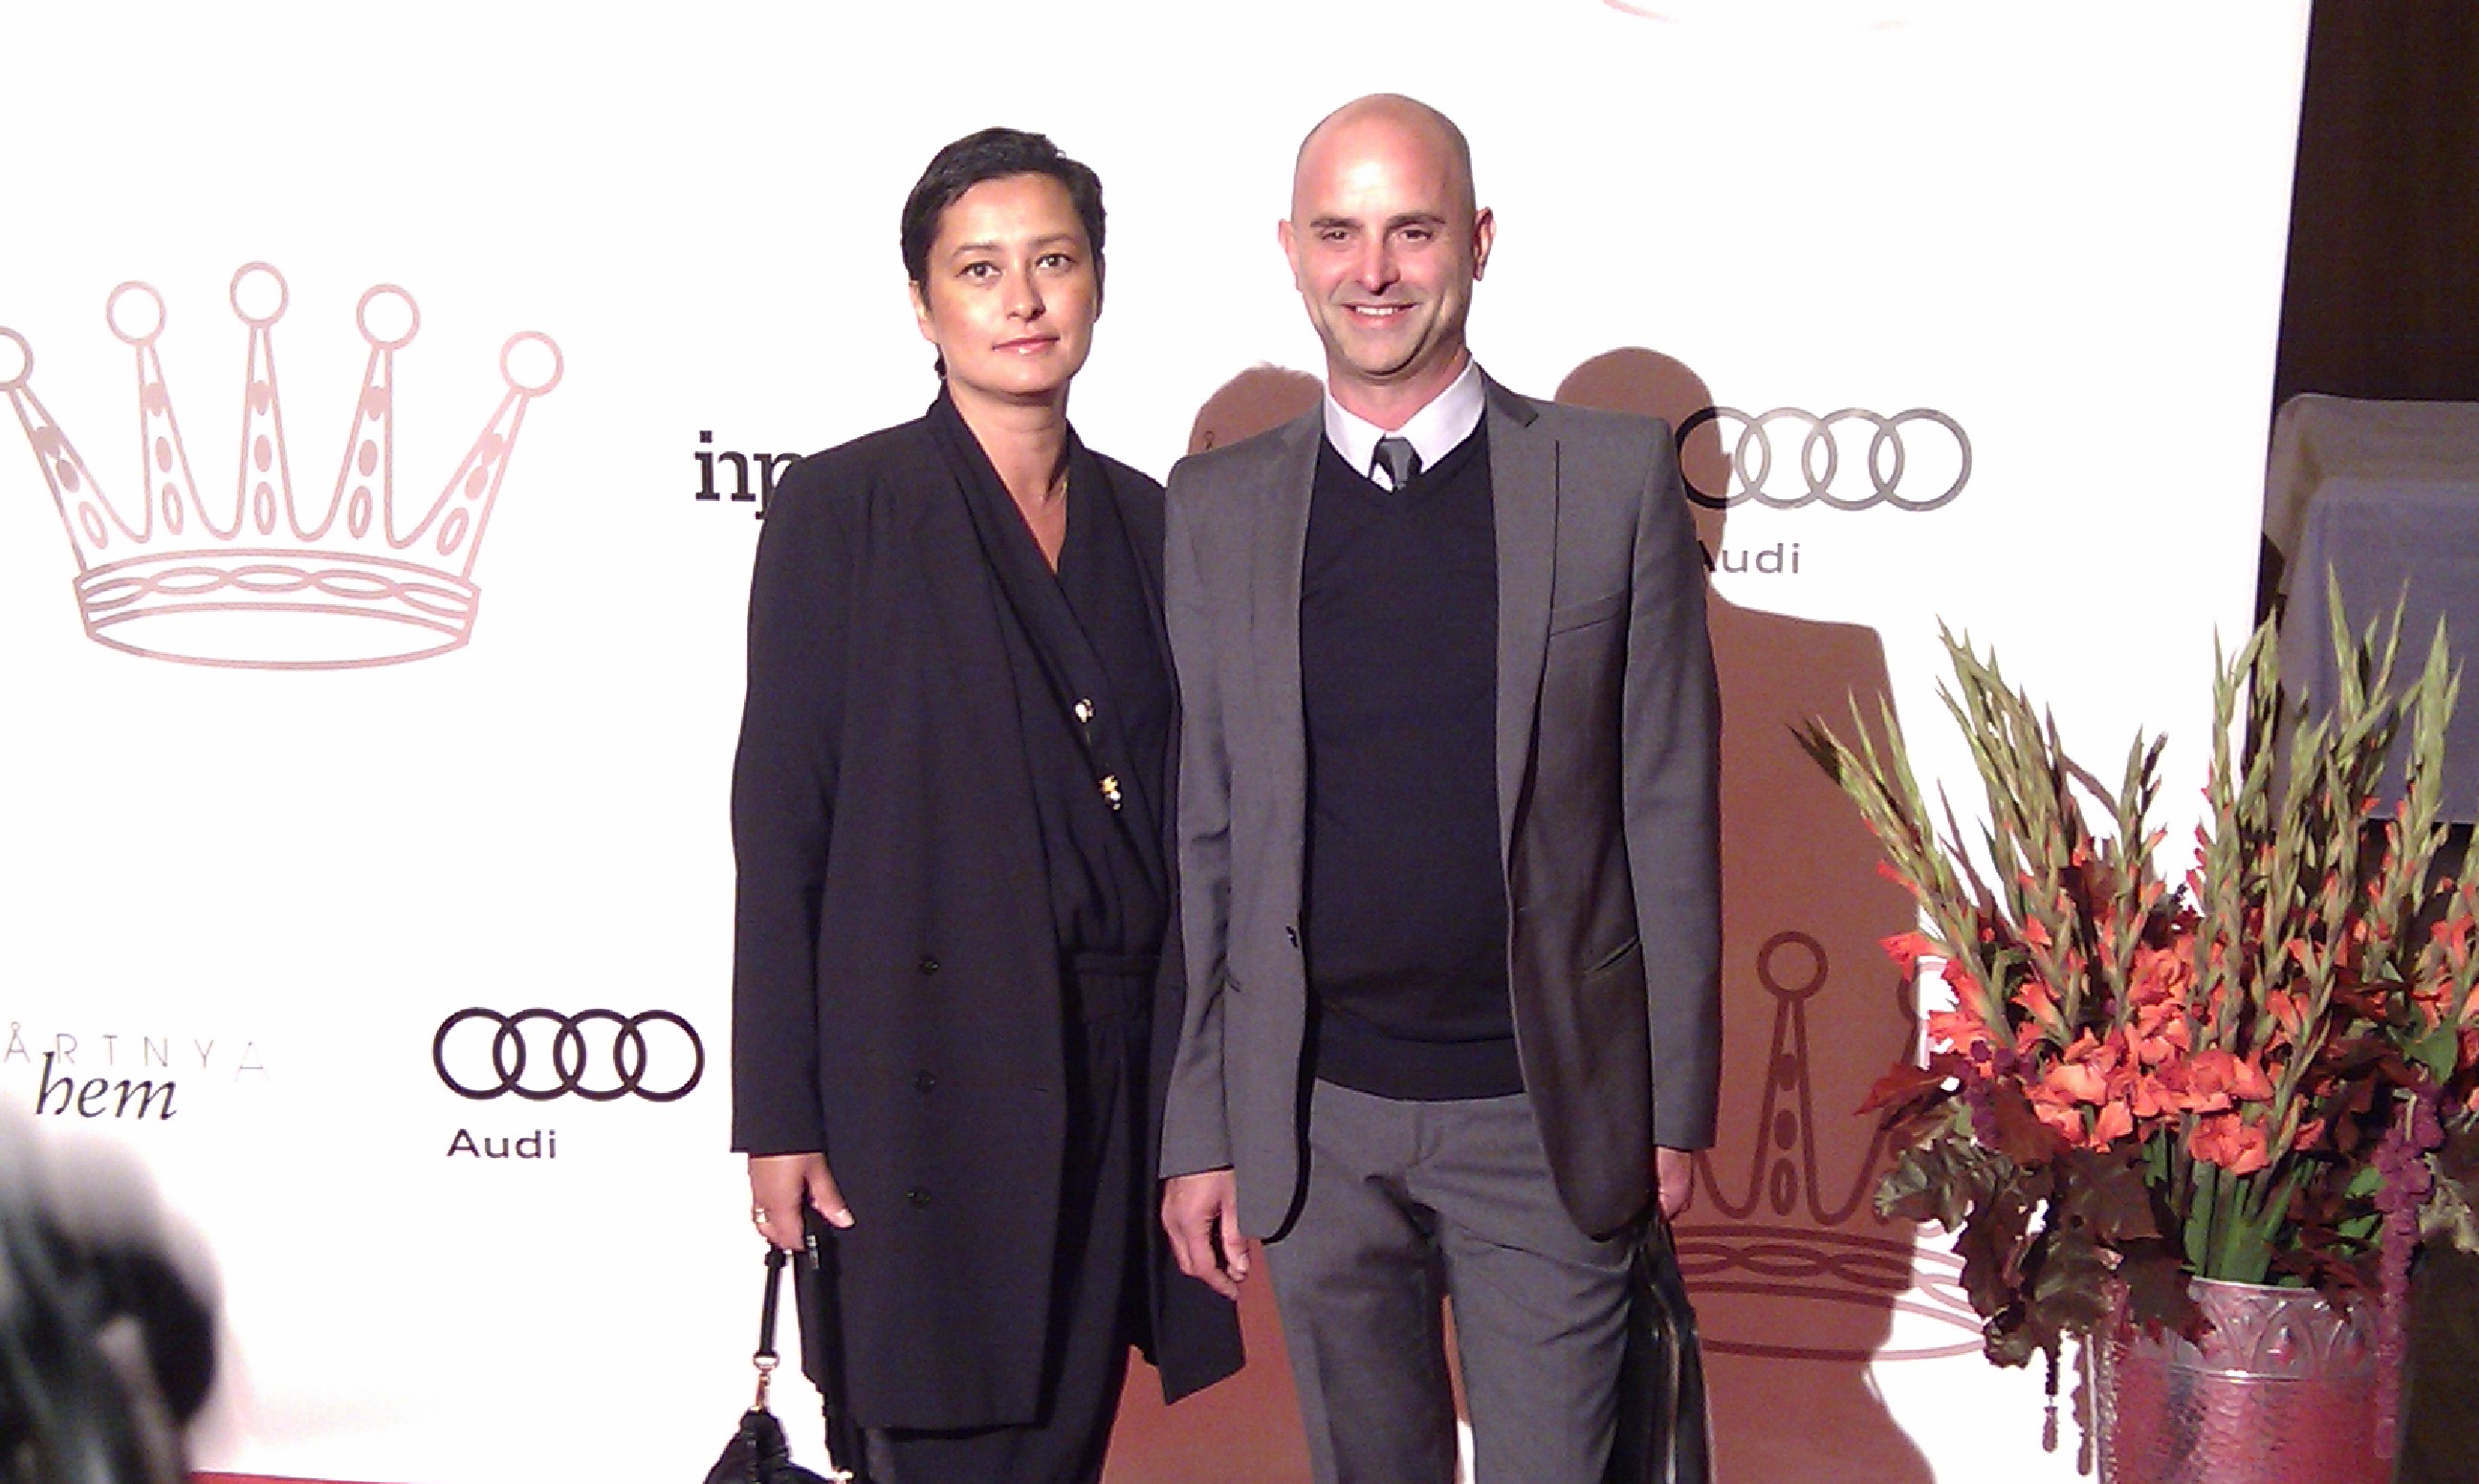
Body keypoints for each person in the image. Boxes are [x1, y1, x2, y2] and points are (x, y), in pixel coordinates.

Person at [1157, 94, 1722, 1484]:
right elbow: (1209, 837)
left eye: (1412, 231)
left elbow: (1665, 805)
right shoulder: (1218, 506)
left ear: (1478, 240)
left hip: (1545, 1113)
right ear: (1289, 249)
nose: (1374, 271)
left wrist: (1671, 1106)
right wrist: (1202, 1124)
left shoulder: (1609, 479)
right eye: (1338, 233)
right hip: (1314, 1120)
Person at [730, 125, 1240, 1484]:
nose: (1021, 300)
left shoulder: (1156, 524)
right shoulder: (843, 507)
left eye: (1053, 261)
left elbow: (1200, 829)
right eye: (978, 268)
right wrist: (779, 1112)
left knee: (1066, 1447)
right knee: (935, 1441)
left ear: (1098, 283)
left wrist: (1203, 1114)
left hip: (1110, 1073)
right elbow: (780, 826)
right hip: (914, 1079)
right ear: (922, 304)